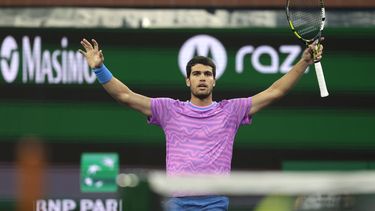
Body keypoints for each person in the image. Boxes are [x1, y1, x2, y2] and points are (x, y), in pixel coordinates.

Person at [79, 38, 323, 211]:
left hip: (215, 203)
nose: (202, 78)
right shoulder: (169, 109)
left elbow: (275, 91)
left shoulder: (231, 110)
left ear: (214, 80)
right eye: (197, 74)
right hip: (177, 202)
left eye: (207, 74)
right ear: (188, 80)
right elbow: (126, 96)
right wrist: (100, 69)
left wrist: (303, 62)